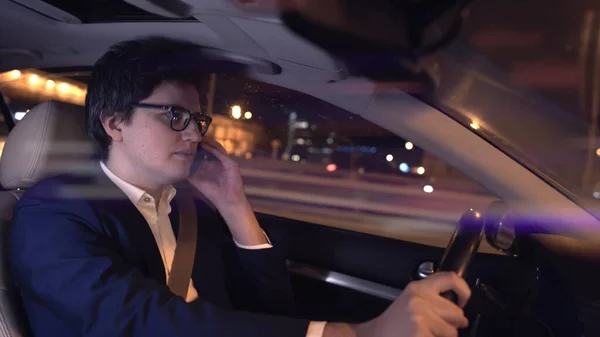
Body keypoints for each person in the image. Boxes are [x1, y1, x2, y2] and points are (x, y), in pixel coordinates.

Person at [8, 37, 471, 337]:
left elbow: (269, 307)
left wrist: (234, 205)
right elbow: (146, 324)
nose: (194, 134)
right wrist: (362, 333)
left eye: (197, 120)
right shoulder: (54, 215)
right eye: (175, 117)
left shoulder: (187, 207)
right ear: (115, 123)